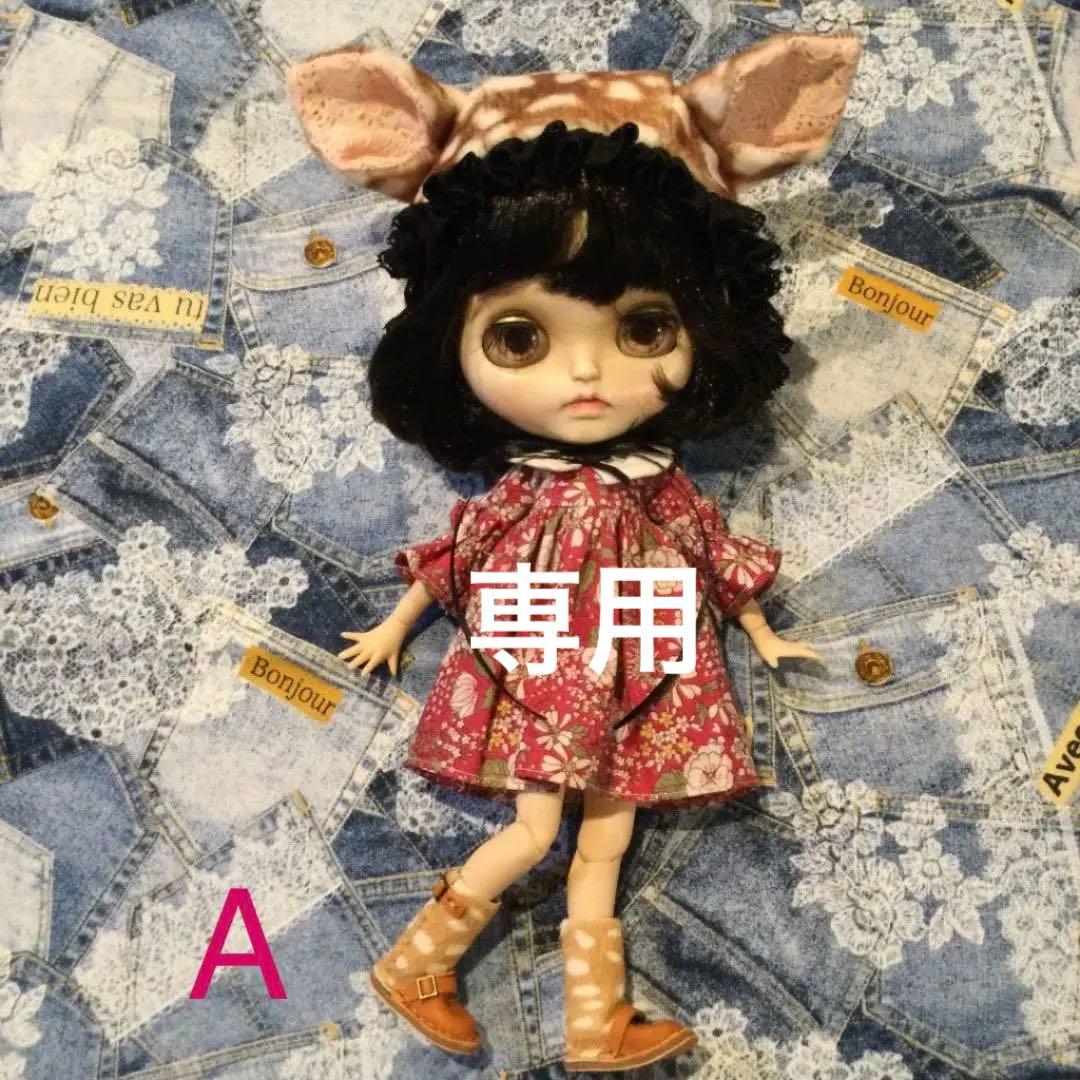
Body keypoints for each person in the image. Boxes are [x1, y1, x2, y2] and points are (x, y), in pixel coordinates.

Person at [288, 37, 858, 1072]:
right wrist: (394, 625)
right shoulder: (528, 491)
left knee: (607, 841)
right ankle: (419, 962)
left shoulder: (659, 487)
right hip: (546, 678)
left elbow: (710, 557)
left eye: (645, 328)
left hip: (641, 680)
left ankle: (598, 1020)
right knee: (530, 831)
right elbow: (460, 555)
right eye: (521, 338)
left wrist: (766, 635)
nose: (586, 375)